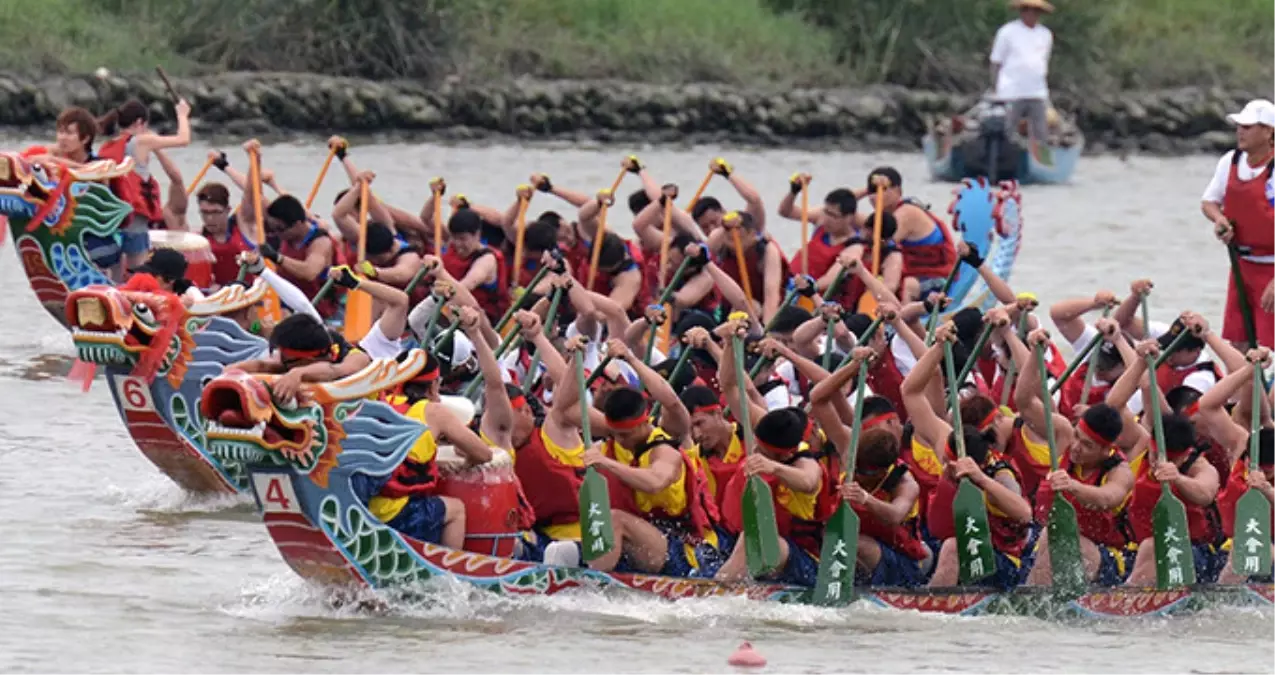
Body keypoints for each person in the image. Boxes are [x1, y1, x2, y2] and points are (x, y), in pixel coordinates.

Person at [356, 351, 495, 549]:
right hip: (398, 516)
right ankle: (450, 573)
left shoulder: (382, 403)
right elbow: (484, 454)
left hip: (367, 509)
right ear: (433, 385)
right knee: (456, 510)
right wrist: (466, 460)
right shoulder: (433, 412)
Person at [1202, 99, 1275, 349]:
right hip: (1241, 265)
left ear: (1268, 131)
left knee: (1269, 347)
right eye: (1239, 126)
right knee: (1239, 345)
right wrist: (1220, 219)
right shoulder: (1230, 161)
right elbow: (1209, 202)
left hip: (1272, 269)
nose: (1240, 131)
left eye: (1247, 126)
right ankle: (1243, 388)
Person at [96, 98, 194, 274]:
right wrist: (182, 114)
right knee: (137, 270)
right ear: (140, 122)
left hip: (111, 221)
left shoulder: (107, 146)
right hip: (134, 220)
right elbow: (184, 139)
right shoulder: (140, 141)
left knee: (114, 273)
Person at [989, 0, 1054, 156]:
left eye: (1035, 11)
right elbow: (996, 61)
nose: (1031, 14)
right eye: (1027, 10)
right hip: (1011, 91)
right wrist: (995, 87)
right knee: (1008, 129)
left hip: (1037, 91)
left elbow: (1044, 60)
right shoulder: (1007, 32)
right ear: (1022, 12)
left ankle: (1040, 160)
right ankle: (1005, 158)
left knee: (1041, 132)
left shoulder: (1045, 34)